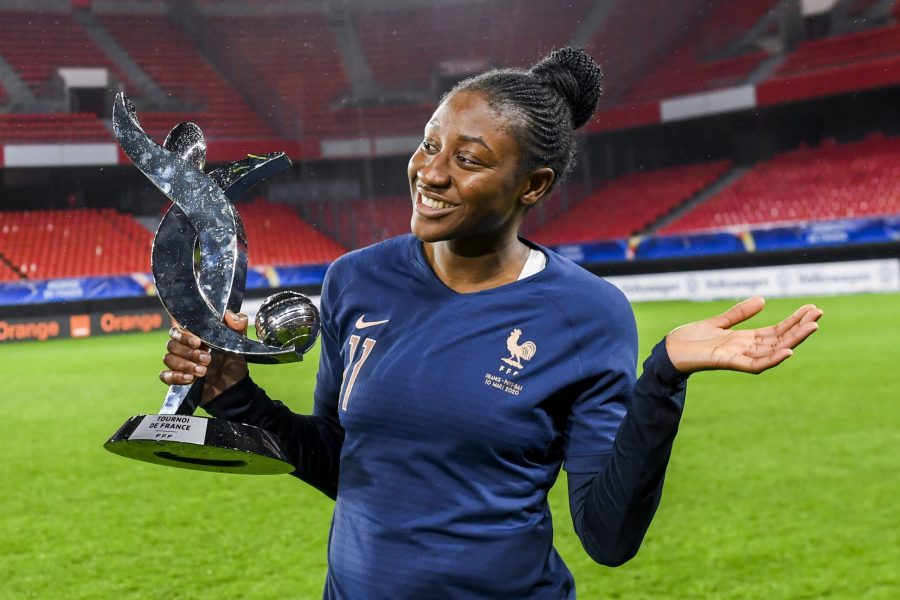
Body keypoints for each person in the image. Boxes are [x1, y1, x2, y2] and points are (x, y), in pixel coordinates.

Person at [160, 48, 823, 599]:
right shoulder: (355, 280)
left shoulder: (587, 316)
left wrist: (662, 380)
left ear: (530, 186)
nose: (431, 173)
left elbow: (608, 537)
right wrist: (235, 393)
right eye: (429, 144)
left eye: (468, 159)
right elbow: (346, 462)